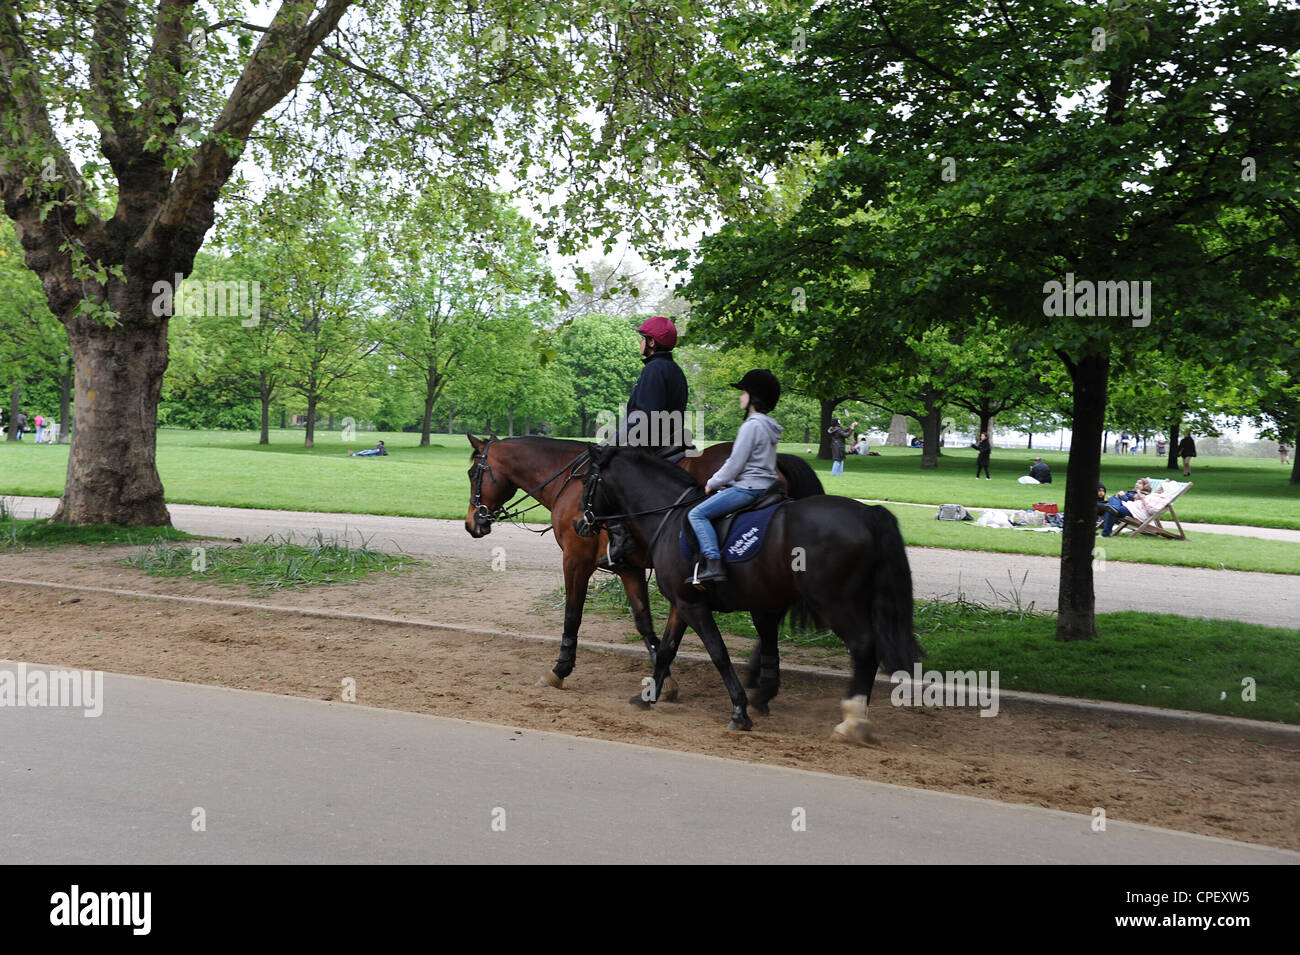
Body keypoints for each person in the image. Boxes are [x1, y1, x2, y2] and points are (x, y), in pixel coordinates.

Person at [686, 369, 783, 586]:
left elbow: (734, 464)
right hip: (766, 486)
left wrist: (712, 483)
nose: (741, 397)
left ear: (754, 397)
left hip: (748, 488)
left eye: (744, 392)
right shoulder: (769, 426)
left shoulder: (752, 426)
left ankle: (713, 563)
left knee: (697, 514)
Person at [1101, 479, 1170, 537]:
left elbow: (1152, 510)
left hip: (1135, 512)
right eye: (1159, 488)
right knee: (1113, 500)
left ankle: (1106, 533)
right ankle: (1113, 508)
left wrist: (1144, 499)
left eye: (1160, 489)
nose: (1158, 489)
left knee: (1111, 509)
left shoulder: (1162, 500)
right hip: (1130, 507)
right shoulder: (1154, 495)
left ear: (1164, 492)